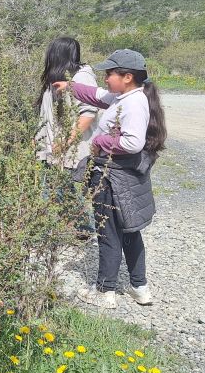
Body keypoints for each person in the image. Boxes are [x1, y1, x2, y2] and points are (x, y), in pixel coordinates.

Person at [53, 49, 167, 309]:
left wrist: (99, 141)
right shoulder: (126, 96)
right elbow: (95, 96)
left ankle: (105, 292)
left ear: (127, 77)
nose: (105, 78)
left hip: (112, 176)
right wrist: (70, 86)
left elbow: (132, 142)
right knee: (130, 232)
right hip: (125, 177)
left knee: (108, 234)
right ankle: (140, 288)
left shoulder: (133, 104)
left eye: (110, 74)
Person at [34, 37, 99, 171]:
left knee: (60, 190)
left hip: (71, 159)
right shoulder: (56, 78)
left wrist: (65, 142)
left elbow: (88, 113)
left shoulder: (81, 77)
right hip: (54, 155)